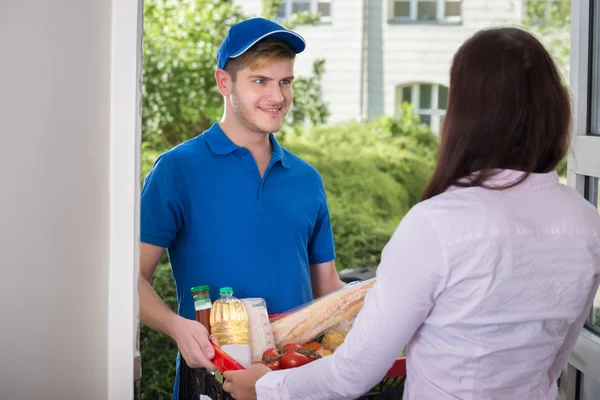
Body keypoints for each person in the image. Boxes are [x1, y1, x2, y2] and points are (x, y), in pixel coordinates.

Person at [222, 27, 600, 400]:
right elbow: (556, 358)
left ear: (467, 114)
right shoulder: (586, 223)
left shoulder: (438, 224)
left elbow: (353, 373)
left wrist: (265, 387)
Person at [139, 17, 345, 399]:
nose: (277, 96)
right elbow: (129, 280)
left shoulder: (306, 178)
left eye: (285, 81)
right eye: (260, 81)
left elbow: (328, 288)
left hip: (292, 380)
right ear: (224, 82)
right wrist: (176, 326)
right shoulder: (178, 169)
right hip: (212, 379)